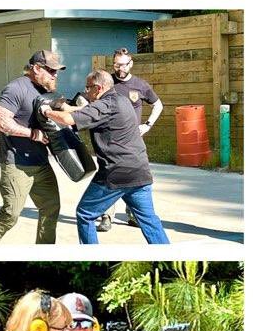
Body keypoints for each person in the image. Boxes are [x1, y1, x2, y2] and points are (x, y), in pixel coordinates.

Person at [41, 69, 170, 244]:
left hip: (116, 172)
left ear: (99, 87)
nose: (86, 91)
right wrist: (66, 106)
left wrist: (46, 112)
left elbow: (69, 120)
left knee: (85, 214)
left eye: (88, 88)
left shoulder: (104, 106)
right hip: (140, 171)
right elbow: (87, 111)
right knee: (150, 222)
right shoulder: (121, 100)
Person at [0, 51, 63, 245]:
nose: (55, 75)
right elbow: (0, 122)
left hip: (41, 163)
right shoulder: (16, 88)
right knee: (11, 213)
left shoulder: (43, 91)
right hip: (17, 164)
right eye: (51, 70)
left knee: (51, 208)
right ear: (36, 68)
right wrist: (33, 134)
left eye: (57, 71)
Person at [95, 48, 163, 234]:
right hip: (110, 141)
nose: (119, 68)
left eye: (123, 64)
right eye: (116, 64)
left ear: (131, 63)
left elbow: (158, 104)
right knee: (108, 175)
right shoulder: (108, 83)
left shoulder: (140, 85)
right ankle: (106, 216)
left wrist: (147, 124)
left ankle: (133, 214)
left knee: (135, 176)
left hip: (133, 142)